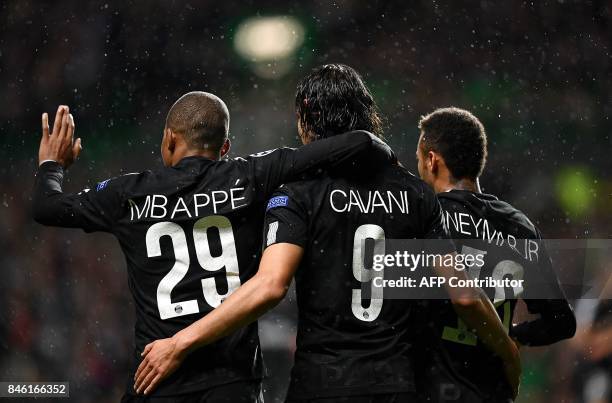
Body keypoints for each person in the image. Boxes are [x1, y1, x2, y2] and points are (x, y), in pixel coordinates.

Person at [134, 65, 520, 402]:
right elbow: (465, 297)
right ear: (368, 116)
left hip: (322, 382)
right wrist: (507, 351)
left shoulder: (297, 194)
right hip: (397, 383)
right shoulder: (415, 193)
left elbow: (270, 286)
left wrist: (181, 340)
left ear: (306, 119)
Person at [32, 92, 393, 402]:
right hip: (233, 380)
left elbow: (48, 207)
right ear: (224, 147)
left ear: (169, 139)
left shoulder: (128, 194)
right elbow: (361, 142)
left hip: (159, 377)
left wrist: (53, 165)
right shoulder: (252, 175)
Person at [414, 107, 576, 402]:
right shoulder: (519, 225)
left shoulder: (425, 217)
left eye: (419, 160)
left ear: (432, 160)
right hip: (493, 390)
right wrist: (512, 335)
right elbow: (561, 321)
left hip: (432, 389)